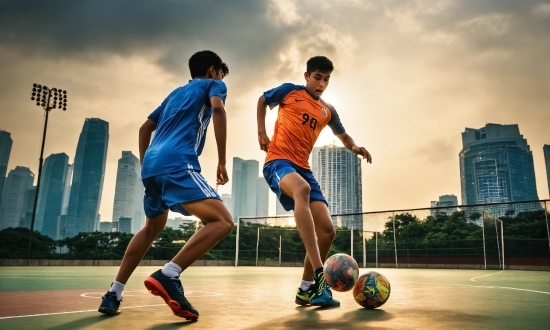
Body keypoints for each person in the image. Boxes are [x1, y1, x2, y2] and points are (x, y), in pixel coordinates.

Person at [98, 50, 234, 320]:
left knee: (152, 228)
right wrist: (221, 160)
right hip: (177, 163)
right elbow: (218, 108)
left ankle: (113, 293)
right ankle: (169, 273)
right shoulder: (213, 84)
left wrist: (144, 164)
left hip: (152, 167)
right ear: (212, 70)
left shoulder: (173, 94)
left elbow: (144, 129)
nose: (220, 77)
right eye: (219, 72)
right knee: (222, 221)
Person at [257, 56, 372, 307]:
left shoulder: (328, 110)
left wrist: (355, 146)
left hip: (303, 168)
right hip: (278, 161)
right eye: (317, 77)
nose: (321, 83)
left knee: (328, 231)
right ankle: (321, 277)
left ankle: (306, 288)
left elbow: (343, 135)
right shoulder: (289, 92)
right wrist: (261, 132)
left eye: (326, 79)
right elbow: (263, 100)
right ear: (307, 76)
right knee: (302, 189)